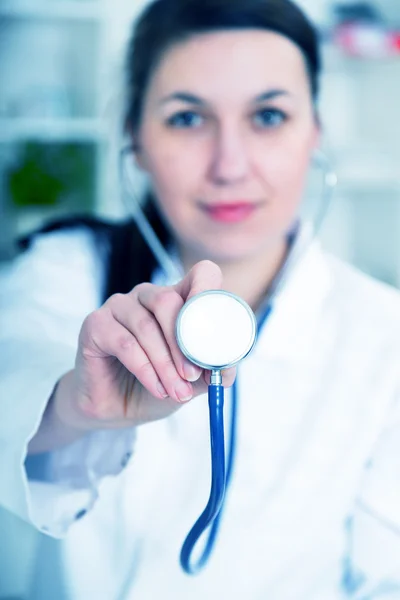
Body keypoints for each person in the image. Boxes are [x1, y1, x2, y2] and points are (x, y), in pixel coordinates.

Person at [0, 0, 400, 598]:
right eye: (188, 119)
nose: (230, 166)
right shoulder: (63, 270)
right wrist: (76, 409)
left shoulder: (383, 333)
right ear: (133, 136)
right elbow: (12, 376)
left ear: (314, 131)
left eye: (268, 116)